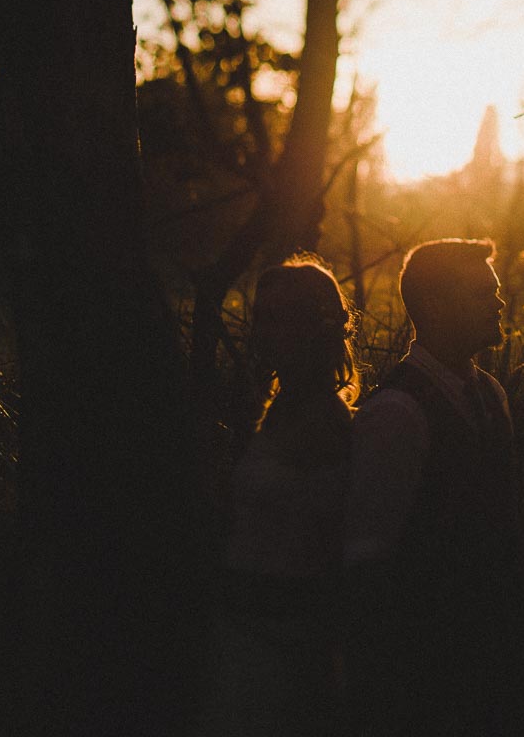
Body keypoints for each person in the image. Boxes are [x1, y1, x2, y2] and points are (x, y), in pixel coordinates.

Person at [344, 238, 520, 736]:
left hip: (485, 655)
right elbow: (367, 559)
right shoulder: (396, 412)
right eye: (482, 293)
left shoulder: (491, 394)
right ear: (436, 305)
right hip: (421, 667)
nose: (499, 303)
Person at [200, 257, 358, 736]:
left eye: (281, 317)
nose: (264, 332)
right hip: (247, 624)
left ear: (316, 327)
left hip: (280, 633)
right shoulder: (279, 405)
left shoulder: (325, 421)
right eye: (261, 317)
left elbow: (326, 543)